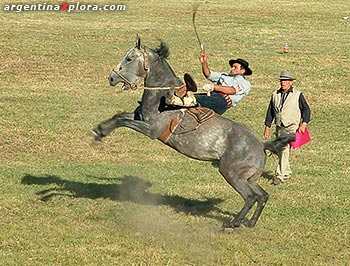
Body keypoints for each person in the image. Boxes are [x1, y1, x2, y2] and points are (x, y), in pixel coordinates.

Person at [166, 51, 252, 115]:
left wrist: (214, 87)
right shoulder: (225, 75)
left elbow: (232, 90)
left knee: (194, 100)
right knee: (194, 97)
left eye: (235, 67)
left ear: (243, 70)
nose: (232, 69)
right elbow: (208, 74)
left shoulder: (245, 83)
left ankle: (175, 99)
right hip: (211, 95)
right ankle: (178, 100)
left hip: (222, 102)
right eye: (232, 67)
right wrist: (204, 63)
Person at [263, 70, 311, 185]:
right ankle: (287, 172)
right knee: (281, 151)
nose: (283, 82)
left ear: (290, 82)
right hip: (280, 126)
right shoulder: (275, 94)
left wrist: (304, 123)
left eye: (285, 80)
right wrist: (267, 126)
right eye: (281, 80)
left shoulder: (298, 94)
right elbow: (270, 111)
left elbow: (306, 109)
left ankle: (280, 176)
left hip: (292, 127)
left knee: (283, 150)